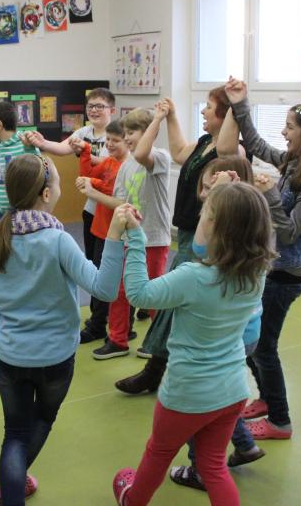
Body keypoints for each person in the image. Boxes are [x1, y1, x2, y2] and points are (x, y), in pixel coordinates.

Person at [111, 182, 277, 506]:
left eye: (204, 215)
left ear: (214, 227)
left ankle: (133, 500)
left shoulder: (193, 277)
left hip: (187, 393)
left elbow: (139, 294)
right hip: (232, 390)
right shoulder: (256, 273)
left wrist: (136, 239)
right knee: (213, 464)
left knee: (159, 451)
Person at [0, 154, 128, 505]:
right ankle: (13, 481)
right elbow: (104, 289)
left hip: (12, 357)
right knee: (43, 418)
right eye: (58, 182)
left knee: (14, 434)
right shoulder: (57, 240)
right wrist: (115, 236)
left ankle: (11, 489)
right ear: (46, 194)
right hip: (55, 357)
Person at [223, 78, 301, 441]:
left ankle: (280, 421)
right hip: (271, 270)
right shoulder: (294, 162)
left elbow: (290, 233)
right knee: (255, 343)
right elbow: (256, 145)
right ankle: (266, 398)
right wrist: (240, 104)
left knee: (264, 348)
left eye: (290, 128)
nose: (284, 133)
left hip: (285, 277)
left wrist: (270, 193)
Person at [115, 88, 240, 393]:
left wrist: (238, 105)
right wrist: (170, 116)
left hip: (203, 237)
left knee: (175, 304)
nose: (203, 112)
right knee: (174, 306)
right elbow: (180, 152)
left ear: (224, 115)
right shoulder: (205, 142)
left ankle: (155, 371)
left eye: (208, 107)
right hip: (185, 233)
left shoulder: (231, 151)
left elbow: (227, 146)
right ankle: (157, 370)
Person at [168, 157, 267, 492]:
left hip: (228, 333)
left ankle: (200, 468)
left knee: (204, 406)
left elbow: (199, 247)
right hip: (246, 330)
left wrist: (214, 196)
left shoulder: (216, 246)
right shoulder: (254, 235)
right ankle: (245, 444)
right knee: (223, 395)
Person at [86, 108, 171, 360]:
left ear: (149, 133)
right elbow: (119, 201)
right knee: (120, 292)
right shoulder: (126, 165)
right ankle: (117, 340)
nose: (127, 138)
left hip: (153, 240)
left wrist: (158, 118)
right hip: (128, 238)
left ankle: (159, 342)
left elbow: (143, 152)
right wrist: (93, 194)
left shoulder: (160, 157)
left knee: (153, 294)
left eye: (132, 132)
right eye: (126, 133)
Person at [24, 88, 115, 302]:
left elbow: (118, 162)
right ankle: (98, 306)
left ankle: (106, 311)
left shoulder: (116, 133)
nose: (94, 110)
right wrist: (41, 143)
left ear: (112, 110)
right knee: (91, 260)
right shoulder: (85, 132)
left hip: (111, 206)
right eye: (90, 106)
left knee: (107, 260)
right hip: (91, 206)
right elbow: (61, 147)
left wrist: (86, 153)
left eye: (99, 106)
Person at [71, 119, 129, 343]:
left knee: (109, 280)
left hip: (114, 232)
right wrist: (86, 151)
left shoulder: (128, 167)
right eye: (108, 140)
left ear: (128, 141)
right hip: (100, 227)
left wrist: (92, 184)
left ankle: (100, 326)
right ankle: (99, 320)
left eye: (116, 140)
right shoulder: (109, 161)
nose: (110, 144)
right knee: (97, 273)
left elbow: (114, 192)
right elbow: (89, 173)